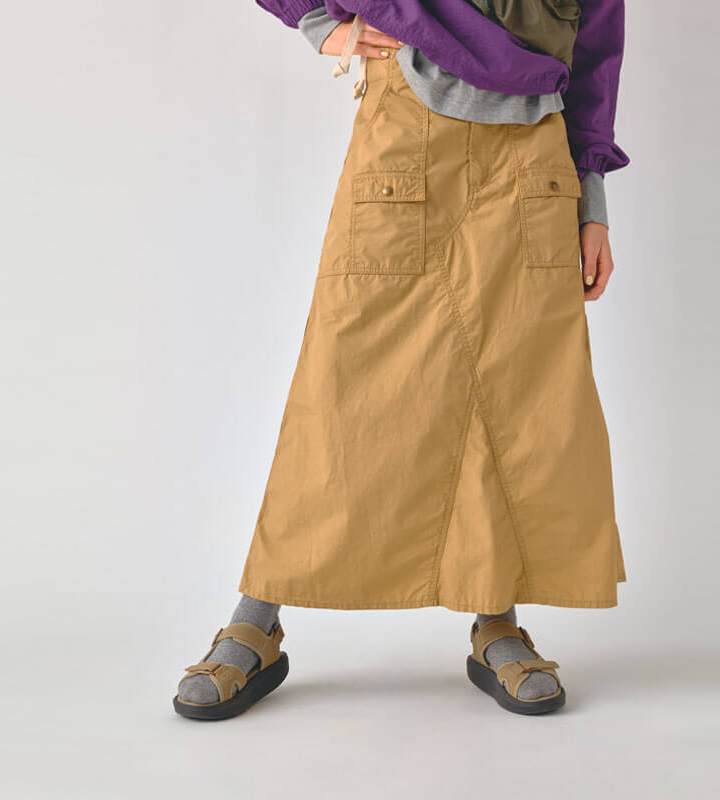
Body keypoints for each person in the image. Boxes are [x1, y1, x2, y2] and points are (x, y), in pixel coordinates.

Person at [173, 0, 628, 720]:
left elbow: (597, 48)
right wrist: (325, 27)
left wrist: (592, 201)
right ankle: (255, 619)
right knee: (340, 392)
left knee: (515, 393)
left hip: (534, 156)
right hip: (406, 135)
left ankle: (496, 620)